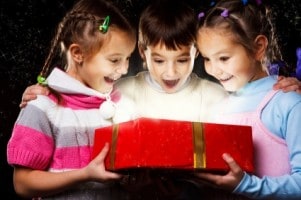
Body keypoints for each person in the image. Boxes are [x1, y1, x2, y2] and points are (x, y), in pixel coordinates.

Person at [17, 0, 301, 199]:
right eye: (159, 59)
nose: (170, 72)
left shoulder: (221, 96)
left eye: (182, 59)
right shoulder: (119, 94)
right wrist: (44, 91)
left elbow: (257, 96)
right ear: (143, 52)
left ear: (194, 53)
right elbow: (78, 96)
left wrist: (288, 84)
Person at [6, 0, 137, 199]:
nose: (124, 69)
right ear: (77, 54)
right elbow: (23, 183)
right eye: (114, 60)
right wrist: (84, 175)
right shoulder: (42, 105)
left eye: (127, 58)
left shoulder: (124, 105)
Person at [195, 0, 301, 199]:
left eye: (224, 58)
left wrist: (246, 185)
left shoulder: (288, 103)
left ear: (258, 47)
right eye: (207, 58)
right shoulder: (218, 110)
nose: (214, 69)